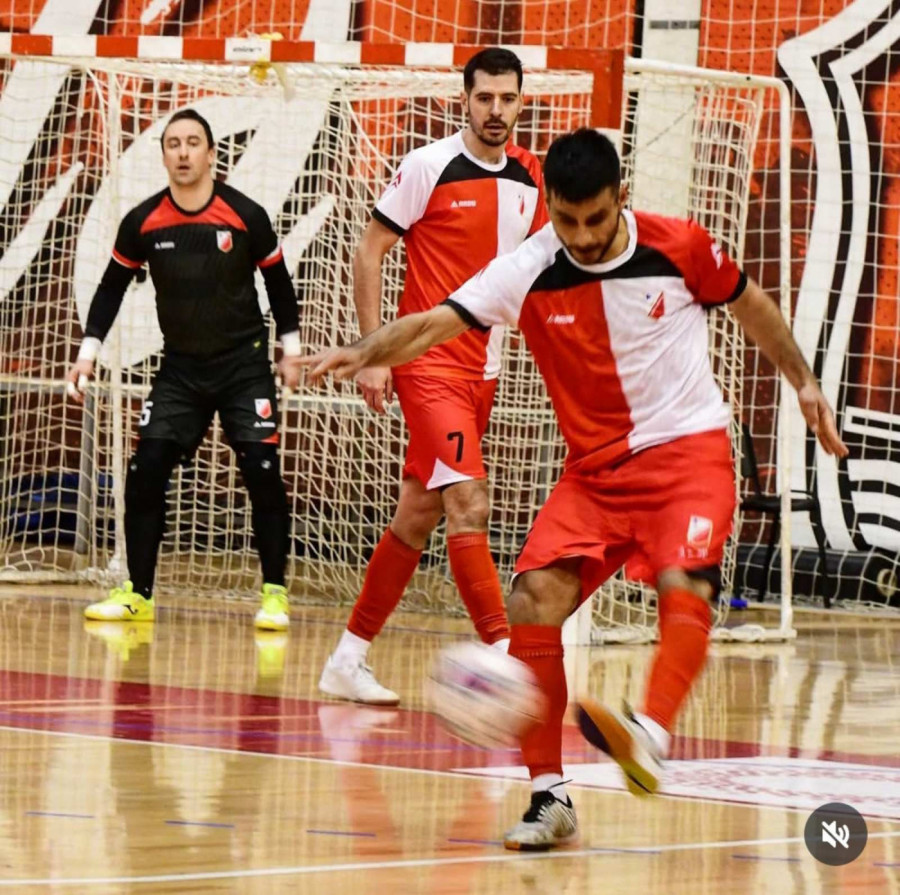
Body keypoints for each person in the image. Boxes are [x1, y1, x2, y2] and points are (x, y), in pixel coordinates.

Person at [298, 128, 849, 848]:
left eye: (596, 218)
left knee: (685, 580)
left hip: (686, 454)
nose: (583, 237)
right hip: (593, 474)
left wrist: (803, 382)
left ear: (621, 196)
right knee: (533, 598)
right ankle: (549, 797)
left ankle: (650, 733)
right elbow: (434, 324)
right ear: (550, 206)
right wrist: (361, 349)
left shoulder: (678, 246)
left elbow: (752, 305)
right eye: (567, 220)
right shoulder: (528, 269)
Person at [317, 47, 547, 706]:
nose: (496, 109)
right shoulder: (427, 166)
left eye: (507, 98)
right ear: (463, 99)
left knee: (417, 513)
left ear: (520, 102)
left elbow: (540, 270)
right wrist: (376, 354)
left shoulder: (532, 175)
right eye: (485, 98)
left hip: (485, 369)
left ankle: (347, 659)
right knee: (468, 501)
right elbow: (369, 251)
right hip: (427, 364)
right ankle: (503, 663)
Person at [67, 108, 301, 632]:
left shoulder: (246, 215)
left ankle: (274, 595)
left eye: (193, 142)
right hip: (181, 372)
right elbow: (110, 288)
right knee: (146, 468)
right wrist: (88, 351)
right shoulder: (143, 223)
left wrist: (290, 348)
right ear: (164, 155)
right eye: (173, 143)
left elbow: (279, 283)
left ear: (212, 153)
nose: (183, 152)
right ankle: (138, 594)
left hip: (244, 367)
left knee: (262, 470)